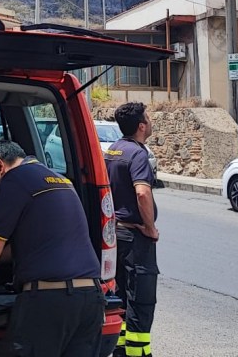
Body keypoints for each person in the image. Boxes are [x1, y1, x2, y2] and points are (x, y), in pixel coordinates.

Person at [0, 139, 105, 357]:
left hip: (50, 303)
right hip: (90, 300)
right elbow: (38, 243)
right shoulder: (61, 180)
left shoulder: (15, 179)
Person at [105, 102, 158, 357]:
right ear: (141, 126)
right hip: (135, 237)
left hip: (114, 236)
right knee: (141, 300)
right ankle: (139, 353)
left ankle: (119, 350)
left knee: (120, 298)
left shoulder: (113, 150)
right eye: (148, 118)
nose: (150, 122)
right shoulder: (137, 154)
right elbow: (143, 193)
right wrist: (150, 227)